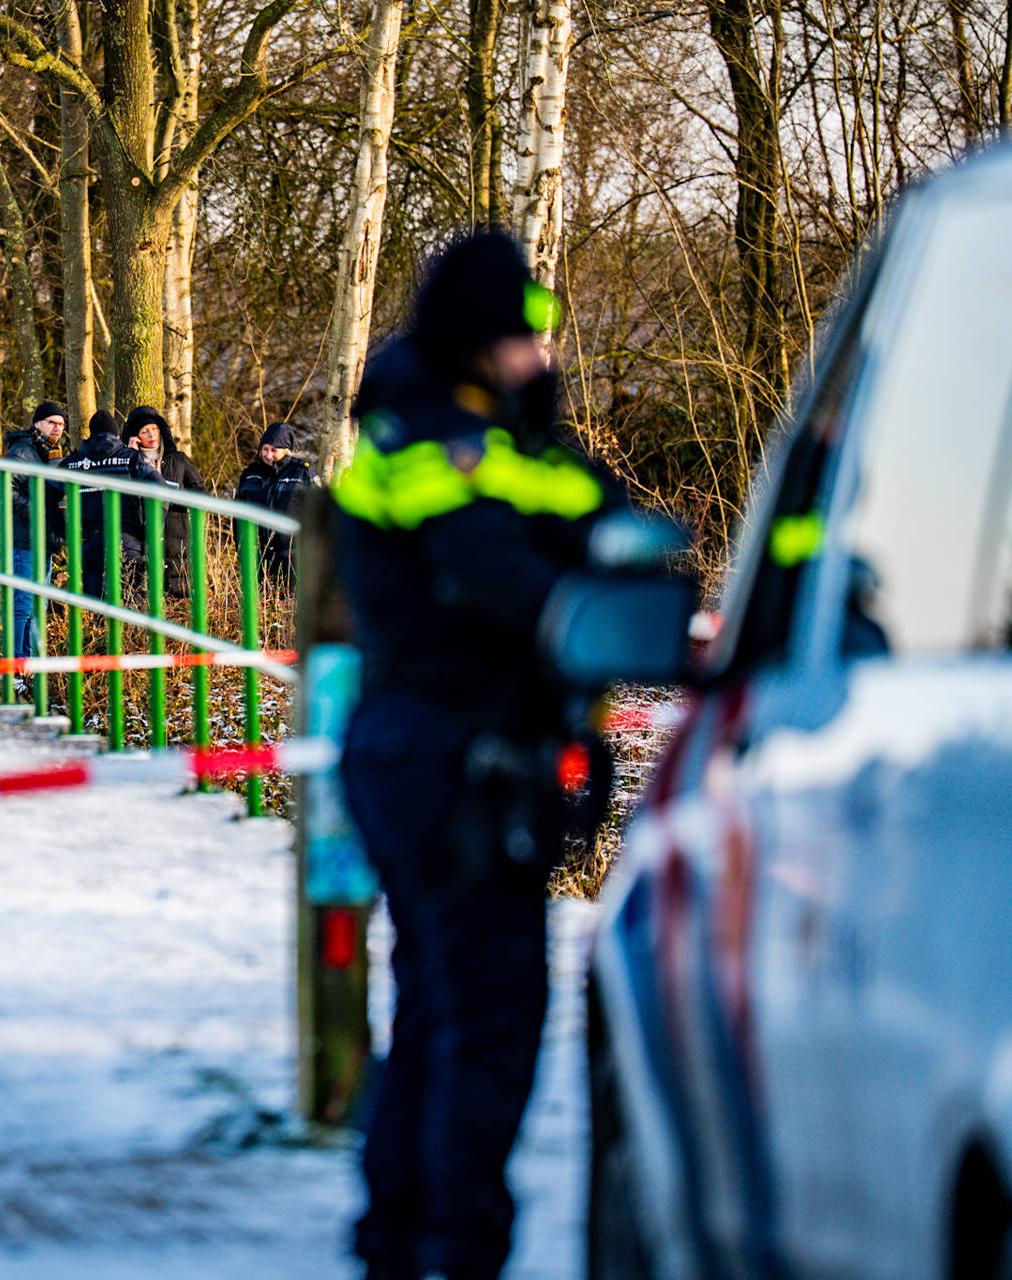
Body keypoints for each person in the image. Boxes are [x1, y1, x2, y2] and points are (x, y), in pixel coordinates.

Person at [330, 230, 618, 1280]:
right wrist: (606, 620)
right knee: (490, 1017)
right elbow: (499, 572)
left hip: (437, 752)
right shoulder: (440, 445)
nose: (545, 357)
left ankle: (403, 1238)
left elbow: (600, 518)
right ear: (479, 340)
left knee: (439, 1006)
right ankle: (457, 1249)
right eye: (526, 339)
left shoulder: (487, 439)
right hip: (448, 757)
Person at [57, 409, 166, 598]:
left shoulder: (73, 463)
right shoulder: (132, 458)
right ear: (116, 435)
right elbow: (161, 489)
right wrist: (151, 529)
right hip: (126, 538)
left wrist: (65, 529)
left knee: (96, 600)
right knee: (132, 599)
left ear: (91, 435)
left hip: (90, 541)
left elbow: (50, 493)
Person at [0, 400, 65, 658]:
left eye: (61, 424)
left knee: (38, 604)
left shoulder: (51, 454)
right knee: (23, 603)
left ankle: (29, 661)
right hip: (24, 541)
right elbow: (3, 492)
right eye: (52, 422)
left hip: (44, 540)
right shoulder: (23, 451)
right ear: (37, 424)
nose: (57, 428)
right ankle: (16, 660)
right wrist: (38, 513)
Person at [119, 405, 207, 596]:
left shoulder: (178, 460)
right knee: (144, 594)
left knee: (178, 596)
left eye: (154, 429)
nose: (151, 435)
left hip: (176, 536)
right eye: (145, 431)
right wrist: (130, 456)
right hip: (141, 537)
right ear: (135, 436)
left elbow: (201, 493)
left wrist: (175, 497)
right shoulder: (126, 462)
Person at [234, 421, 316, 585]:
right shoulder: (250, 474)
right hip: (258, 557)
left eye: (274, 450)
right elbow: (238, 515)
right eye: (265, 449)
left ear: (286, 450)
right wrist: (242, 549)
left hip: (294, 559)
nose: (268, 455)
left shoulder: (302, 472)